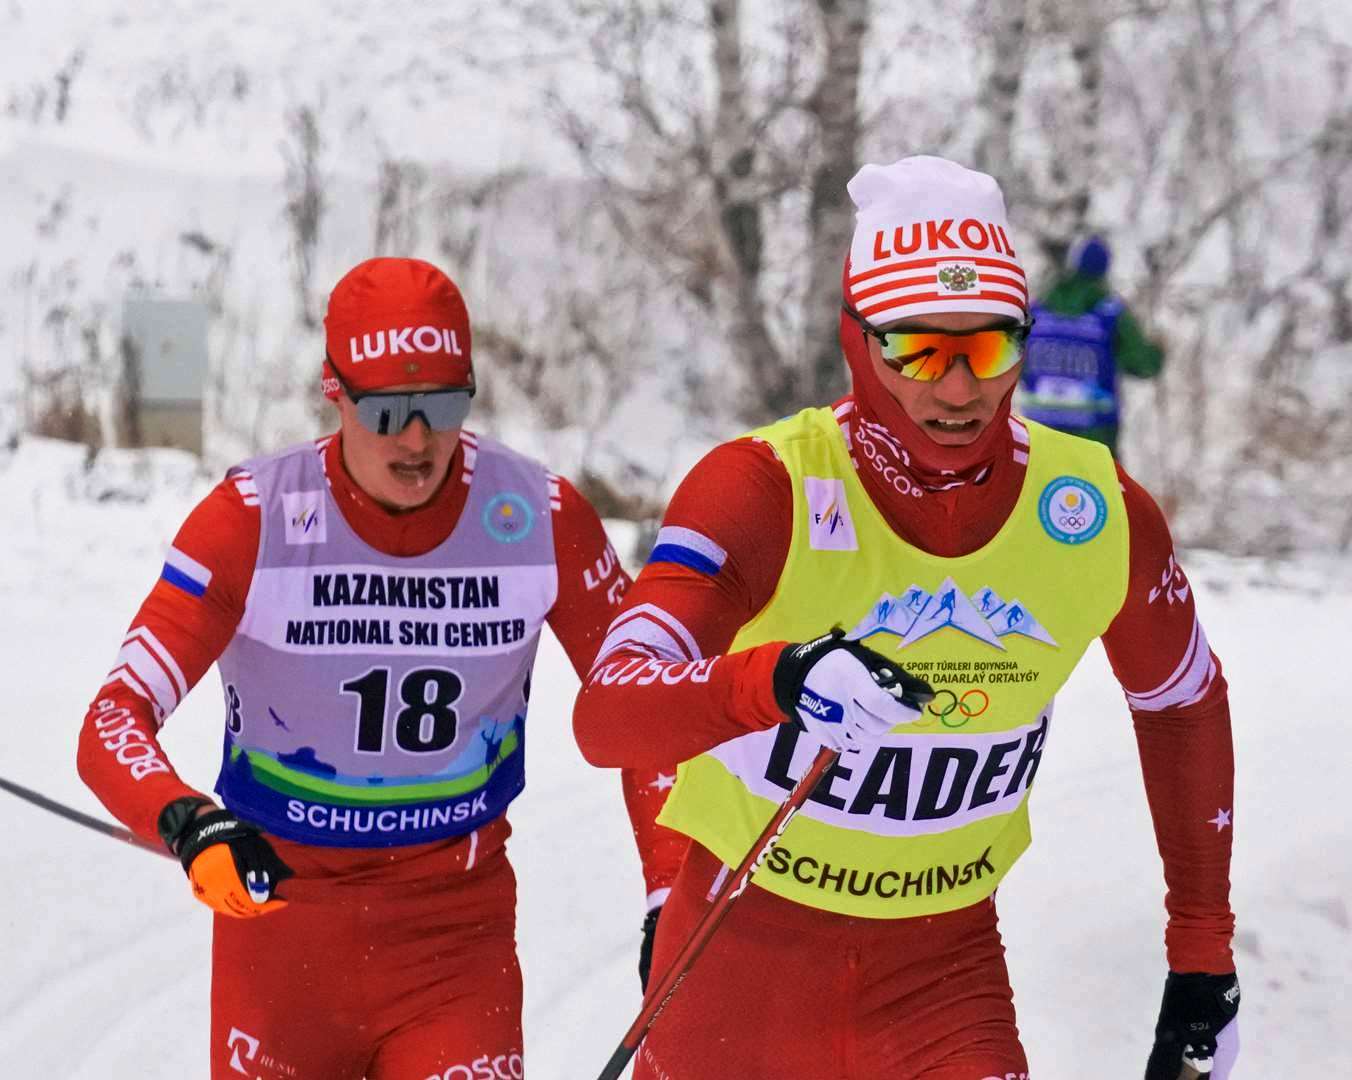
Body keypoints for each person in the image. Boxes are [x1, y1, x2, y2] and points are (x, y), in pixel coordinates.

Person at [574, 156, 1239, 1079]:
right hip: (738, 969)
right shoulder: (764, 488)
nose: (960, 389)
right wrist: (779, 679)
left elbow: (1183, 703)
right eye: (921, 350)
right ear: (859, 342)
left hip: (945, 974)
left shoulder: (1093, 511)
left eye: (990, 348)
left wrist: (1201, 952)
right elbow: (609, 711)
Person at [76, 257, 683, 1078]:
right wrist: (187, 820)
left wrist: (672, 891)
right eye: (389, 409)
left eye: (442, 405)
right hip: (283, 931)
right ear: (335, 392)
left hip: (452, 942)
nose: (417, 439)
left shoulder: (540, 518)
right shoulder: (251, 522)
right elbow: (114, 716)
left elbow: (650, 712)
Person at [1017, 234, 1164, 456]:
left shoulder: (1037, 310)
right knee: (1095, 491)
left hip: (1037, 434)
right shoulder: (1110, 314)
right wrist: (1159, 352)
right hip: (1094, 437)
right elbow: (1143, 364)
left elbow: (1011, 360)